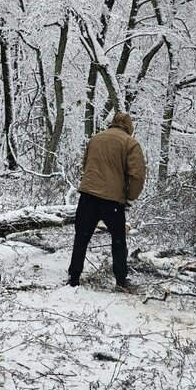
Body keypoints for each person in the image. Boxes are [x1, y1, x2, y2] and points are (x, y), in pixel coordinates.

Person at [67, 112, 147, 291]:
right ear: (129, 127)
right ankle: (121, 281)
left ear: (113, 123)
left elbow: (85, 164)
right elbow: (138, 176)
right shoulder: (130, 143)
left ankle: (73, 278)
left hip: (87, 196)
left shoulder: (96, 138)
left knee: (81, 238)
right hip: (112, 201)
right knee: (118, 240)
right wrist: (129, 197)